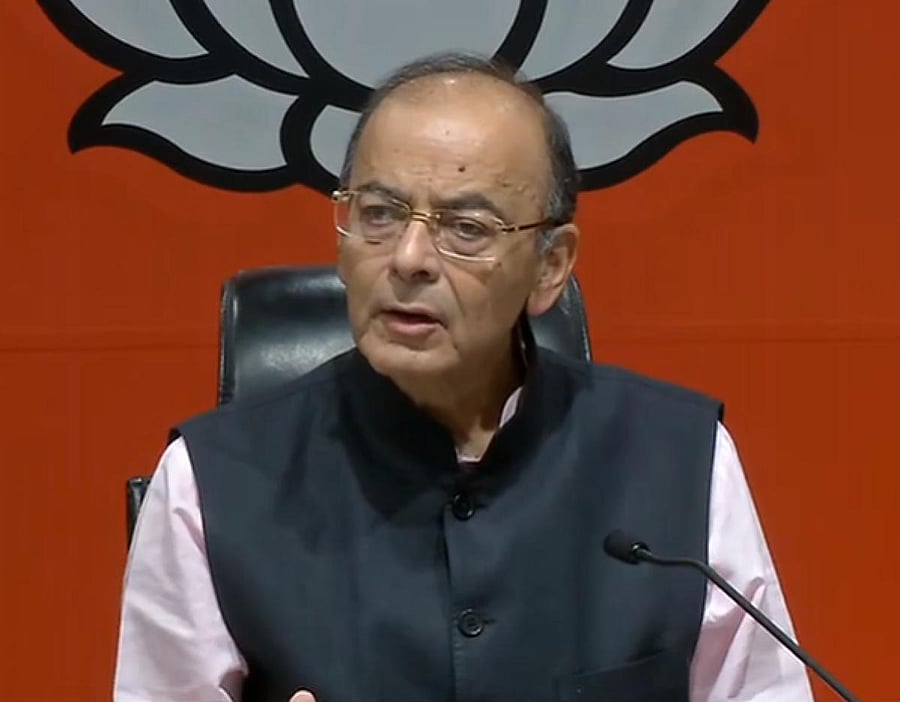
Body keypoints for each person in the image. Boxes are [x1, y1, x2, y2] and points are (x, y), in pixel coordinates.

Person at [113, 52, 814, 702]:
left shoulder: (681, 461)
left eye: (467, 228)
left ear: (550, 265)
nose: (410, 258)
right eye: (380, 214)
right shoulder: (208, 485)